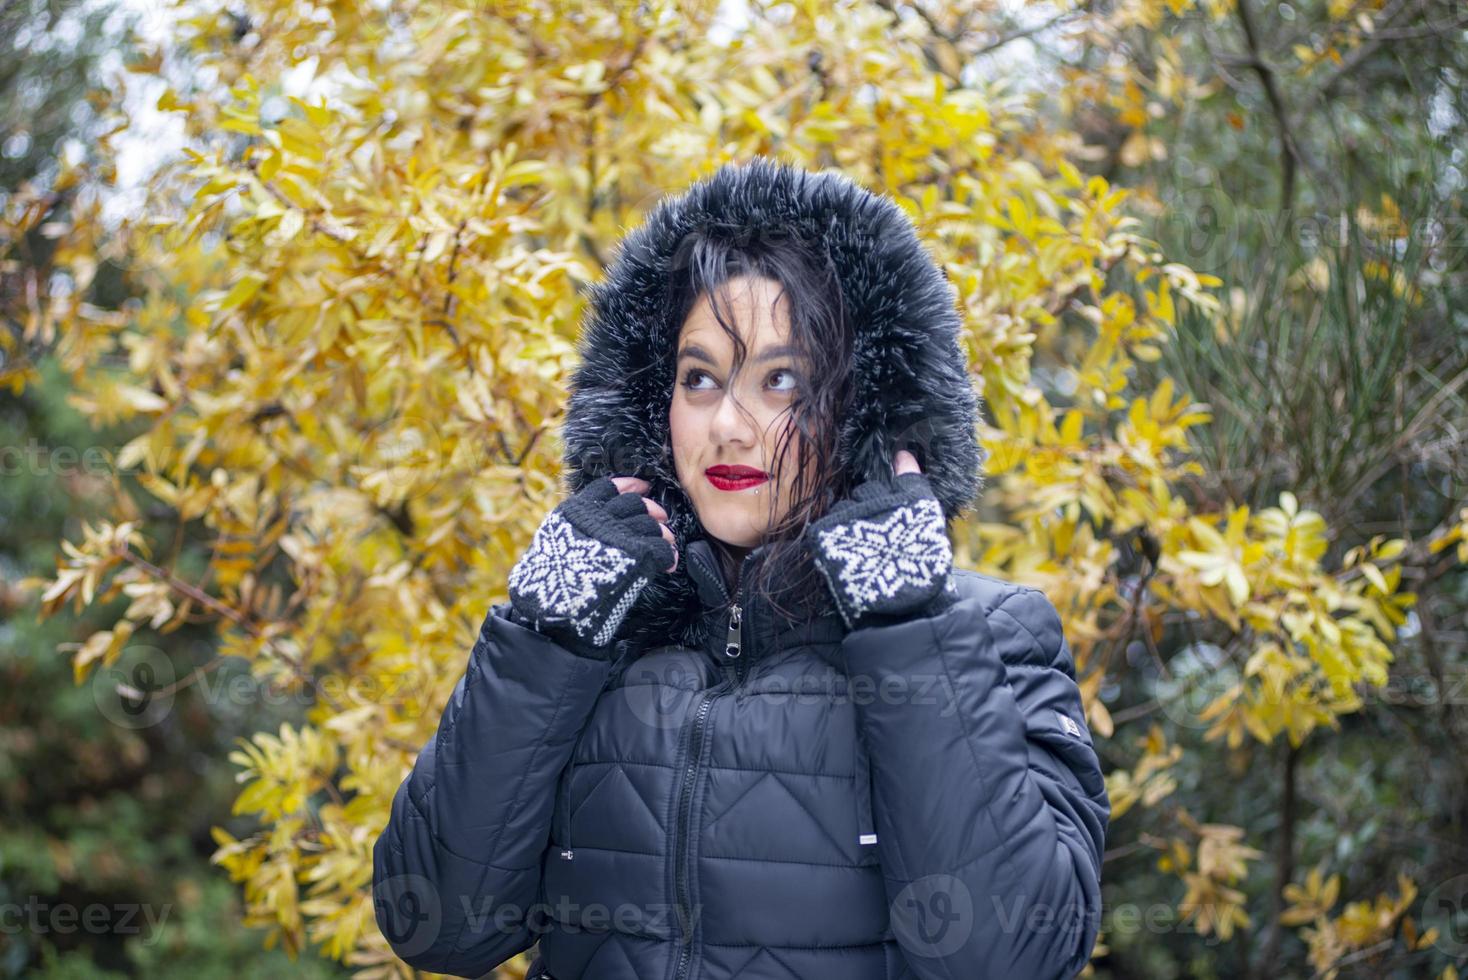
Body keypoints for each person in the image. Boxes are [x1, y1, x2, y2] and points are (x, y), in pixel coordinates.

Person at [372, 157, 1110, 980]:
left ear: (862, 403)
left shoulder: (988, 633)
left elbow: (1011, 957)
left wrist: (905, 622)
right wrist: (548, 628)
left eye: (781, 380)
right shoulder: (596, 633)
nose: (728, 425)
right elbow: (435, 922)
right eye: (698, 379)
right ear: (654, 400)